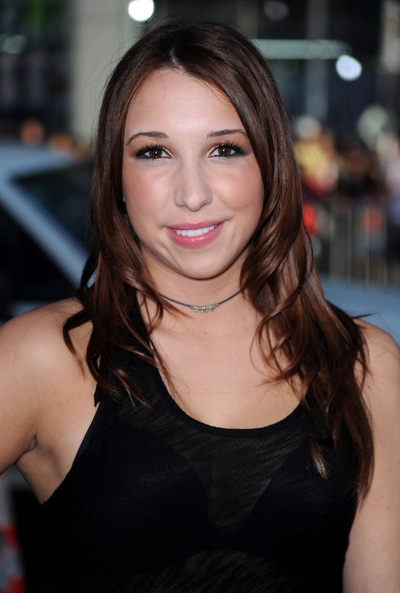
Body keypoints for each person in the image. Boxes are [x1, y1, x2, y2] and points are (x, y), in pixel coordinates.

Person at [0, 19, 399, 593]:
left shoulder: (363, 367)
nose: (192, 194)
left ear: (270, 164)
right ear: (115, 176)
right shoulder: (44, 356)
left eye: (224, 149)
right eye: (154, 152)